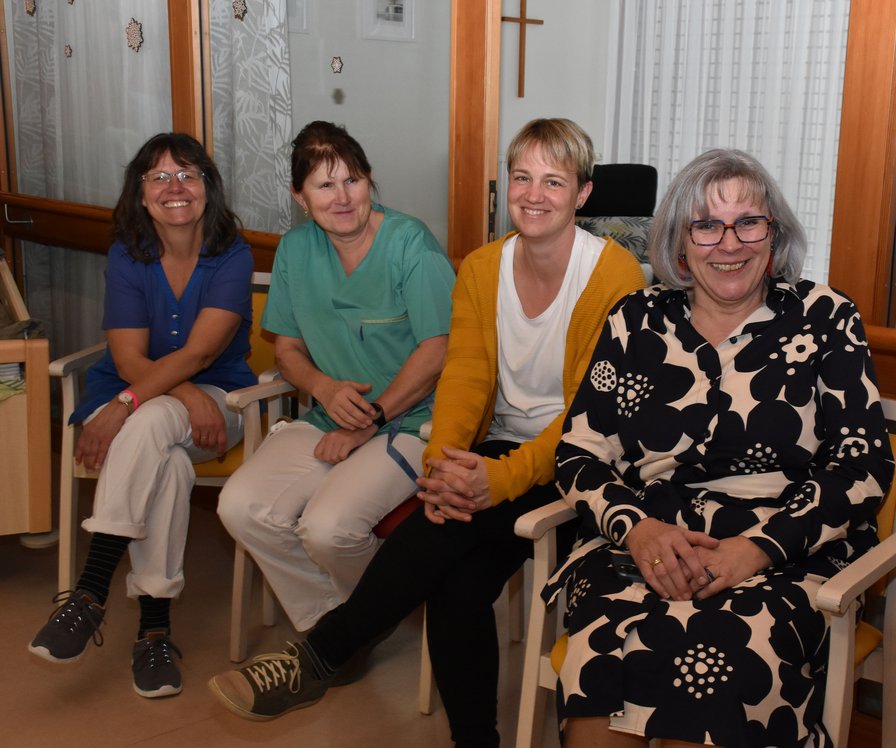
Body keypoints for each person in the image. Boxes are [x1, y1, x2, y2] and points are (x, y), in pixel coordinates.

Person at [208, 118, 647, 746]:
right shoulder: (482, 267)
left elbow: (590, 418)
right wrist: (446, 466)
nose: (534, 194)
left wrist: (498, 478)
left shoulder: (616, 276)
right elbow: (464, 377)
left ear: (582, 193)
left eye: (554, 181)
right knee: (453, 586)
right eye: (522, 177)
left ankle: (322, 653)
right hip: (499, 448)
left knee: (439, 547)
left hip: (585, 463)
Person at [545, 148, 895, 747]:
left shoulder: (824, 317)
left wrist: (758, 548)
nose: (728, 243)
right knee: (604, 663)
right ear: (680, 243)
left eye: (748, 222)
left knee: (720, 668)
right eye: (706, 225)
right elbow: (577, 451)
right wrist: (636, 528)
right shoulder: (636, 319)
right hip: (646, 545)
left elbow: (862, 466)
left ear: (773, 235)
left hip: (786, 552)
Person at [28, 133, 256, 698]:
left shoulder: (232, 250)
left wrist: (129, 406)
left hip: (220, 404)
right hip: (161, 400)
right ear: (140, 192)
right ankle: (153, 633)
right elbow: (129, 358)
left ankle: (88, 593)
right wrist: (175, 394)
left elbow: (202, 354)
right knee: (168, 462)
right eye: (159, 177)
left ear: (208, 186)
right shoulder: (127, 253)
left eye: (188, 175)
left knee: (148, 424)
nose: (175, 188)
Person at [216, 121, 454, 635]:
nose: (342, 197)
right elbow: (288, 350)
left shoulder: (409, 243)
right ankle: (337, 625)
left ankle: (362, 621)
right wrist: (323, 389)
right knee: (240, 506)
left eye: (353, 180)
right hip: (329, 416)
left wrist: (371, 418)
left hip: (413, 423)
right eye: (325, 185)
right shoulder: (296, 251)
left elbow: (439, 349)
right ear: (300, 197)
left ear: (370, 181)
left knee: (327, 529)